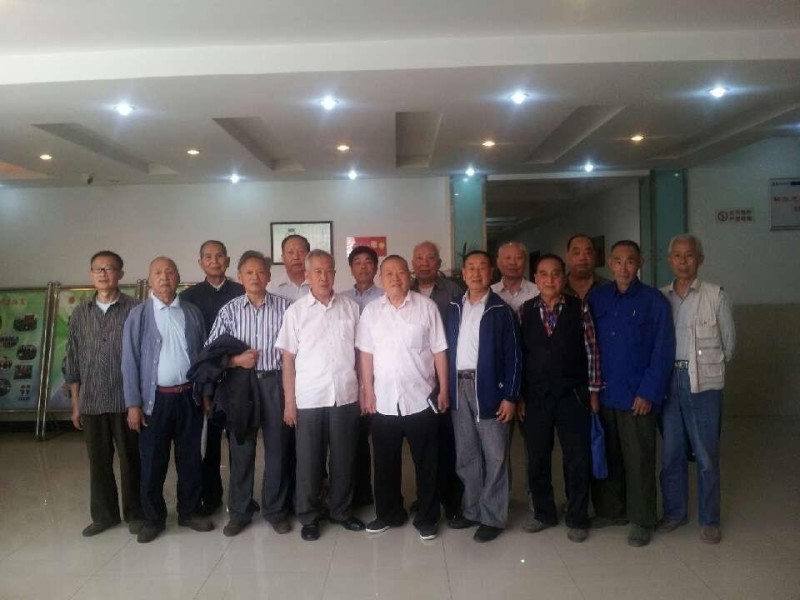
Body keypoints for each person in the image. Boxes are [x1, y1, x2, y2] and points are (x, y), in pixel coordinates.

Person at [588, 241, 675, 547]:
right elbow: (589, 345)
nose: (623, 268)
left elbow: (663, 350)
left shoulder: (654, 301)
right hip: (605, 393)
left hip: (638, 396)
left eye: (630, 261)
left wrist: (649, 392)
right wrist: (592, 390)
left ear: (640, 263)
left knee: (639, 460)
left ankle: (642, 519)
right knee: (608, 455)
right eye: (618, 261)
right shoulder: (597, 298)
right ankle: (612, 511)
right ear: (610, 264)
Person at [357, 255, 449, 541]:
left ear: (409, 276)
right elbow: (366, 354)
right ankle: (389, 513)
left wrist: (444, 389)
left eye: (400, 273)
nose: (395, 278)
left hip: (421, 398)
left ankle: (428, 517)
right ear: (381, 278)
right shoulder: (371, 311)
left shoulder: (427, 307)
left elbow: (439, 351)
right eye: (389, 274)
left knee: (427, 462)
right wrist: (367, 390)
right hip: (384, 400)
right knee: (385, 462)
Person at [122, 257, 212, 543]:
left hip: (189, 398)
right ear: (150, 280)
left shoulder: (192, 312)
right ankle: (153, 518)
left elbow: (204, 357)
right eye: (158, 273)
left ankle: (189, 511)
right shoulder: (139, 315)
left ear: (178, 277)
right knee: (153, 462)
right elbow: (129, 362)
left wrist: (205, 393)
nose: (164, 277)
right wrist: (133, 404)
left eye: (170, 272)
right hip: (155, 402)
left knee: (190, 459)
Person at [276, 250, 365, 541]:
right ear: (307, 275)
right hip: (310, 397)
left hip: (345, 395)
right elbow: (288, 360)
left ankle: (341, 511)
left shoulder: (350, 308)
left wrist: (364, 391)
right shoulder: (296, 312)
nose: (324, 277)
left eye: (329, 271)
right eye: (318, 272)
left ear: (335, 274)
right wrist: (289, 402)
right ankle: (309, 516)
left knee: (344, 458)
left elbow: (360, 354)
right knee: (309, 461)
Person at [206, 251, 293, 537]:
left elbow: (299, 348)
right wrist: (235, 361)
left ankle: (275, 510)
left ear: (269, 276)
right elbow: (210, 351)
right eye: (249, 272)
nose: (255, 277)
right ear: (240, 277)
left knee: (277, 450)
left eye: (260, 272)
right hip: (241, 385)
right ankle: (239, 512)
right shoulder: (229, 310)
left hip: (275, 383)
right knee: (241, 449)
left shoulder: (286, 308)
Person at [518, 254, 602, 543]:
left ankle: (577, 516)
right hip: (536, 398)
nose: (550, 279)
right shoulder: (525, 311)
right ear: (535, 279)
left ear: (563, 277)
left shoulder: (580, 308)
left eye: (555, 273)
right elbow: (519, 357)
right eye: (543, 274)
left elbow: (592, 351)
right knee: (537, 458)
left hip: (573, 396)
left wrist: (593, 392)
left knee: (576, 458)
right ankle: (544, 513)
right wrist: (519, 395)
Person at [659, 234, 736, 544]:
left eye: (689, 255)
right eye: (677, 255)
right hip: (669, 382)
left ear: (699, 259)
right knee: (671, 453)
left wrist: (704, 367)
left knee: (706, 455)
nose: (683, 261)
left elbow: (729, 345)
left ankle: (709, 519)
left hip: (703, 384)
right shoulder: (661, 297)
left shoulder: (715, 295)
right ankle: (675, 513)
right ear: (669, 260)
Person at [445, 250, 521, 543]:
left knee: (495, 454)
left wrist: (511, 396)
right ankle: (472, 509)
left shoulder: (501, 310)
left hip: (490, 388)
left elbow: (514, 358)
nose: (476, 273)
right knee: (466, 453)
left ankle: (493, 517)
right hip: (458, 386)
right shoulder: (454, 306)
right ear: (463, 274)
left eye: (482, 268)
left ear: (491, 273)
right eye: (471, 268)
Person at [65, 250, 142, 537]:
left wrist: (138, 402)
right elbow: (72, 360)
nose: (103, 273)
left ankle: (135, 513)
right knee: (98, 463)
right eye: (98, 269)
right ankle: (104, 516)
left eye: (109, 268)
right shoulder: (80, 314)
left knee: (131, 460)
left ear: (120, 274)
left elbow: (144, 356)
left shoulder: (136, 309)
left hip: (126, 401)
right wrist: (76, 403)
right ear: (91, 274)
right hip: (92, 401)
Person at [179, 240, 245, 516]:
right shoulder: (189, 298)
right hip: (206, 378)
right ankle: (211, 496)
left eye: (219, 256)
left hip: (238, 376)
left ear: (227, 261)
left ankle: (241, 498)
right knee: (208, 441)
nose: (214, 261)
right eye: (208, 257)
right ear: (200, 262)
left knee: (240, 440)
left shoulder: (241, 291)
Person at [410, 240, 464, 523]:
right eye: (419, 258)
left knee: (447, 443)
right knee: (424, 447)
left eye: (430, 258)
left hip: (445, 378)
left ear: (439, 263)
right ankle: (426, 497)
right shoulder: (404, 290)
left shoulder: (454, 292)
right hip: (417, 380)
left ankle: (452, 501)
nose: (424, 263)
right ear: (412, 264)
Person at [341, 245, 383, 507]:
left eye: (368, 262)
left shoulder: (386, 296)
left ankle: (384, 494)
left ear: (376, 267)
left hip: (382, 377)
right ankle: (360, 493)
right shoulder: (341, 299)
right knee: (354, 440)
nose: (363, 267)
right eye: (357, 262)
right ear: (351, 268)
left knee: (381, 439)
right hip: (350, 378)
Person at [491, 241, 539, 318]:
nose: (512, 263)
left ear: (525, 262)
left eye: (518, 258)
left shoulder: (537, 292)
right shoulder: (490, 292)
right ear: (498, 263)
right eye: (508, 258)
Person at [564, 234, 611, 302]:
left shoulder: (609, 287)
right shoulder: (557, 288)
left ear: (594, 256)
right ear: (567, 257)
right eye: (576, 253)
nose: (582, 258)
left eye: (588, 253)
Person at [267, 234, 310, 302]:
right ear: (283, 258)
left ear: (309, 256)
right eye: (290, 252)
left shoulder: (321, 285)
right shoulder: (271, 289)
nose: (296, 257)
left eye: (301, 252)